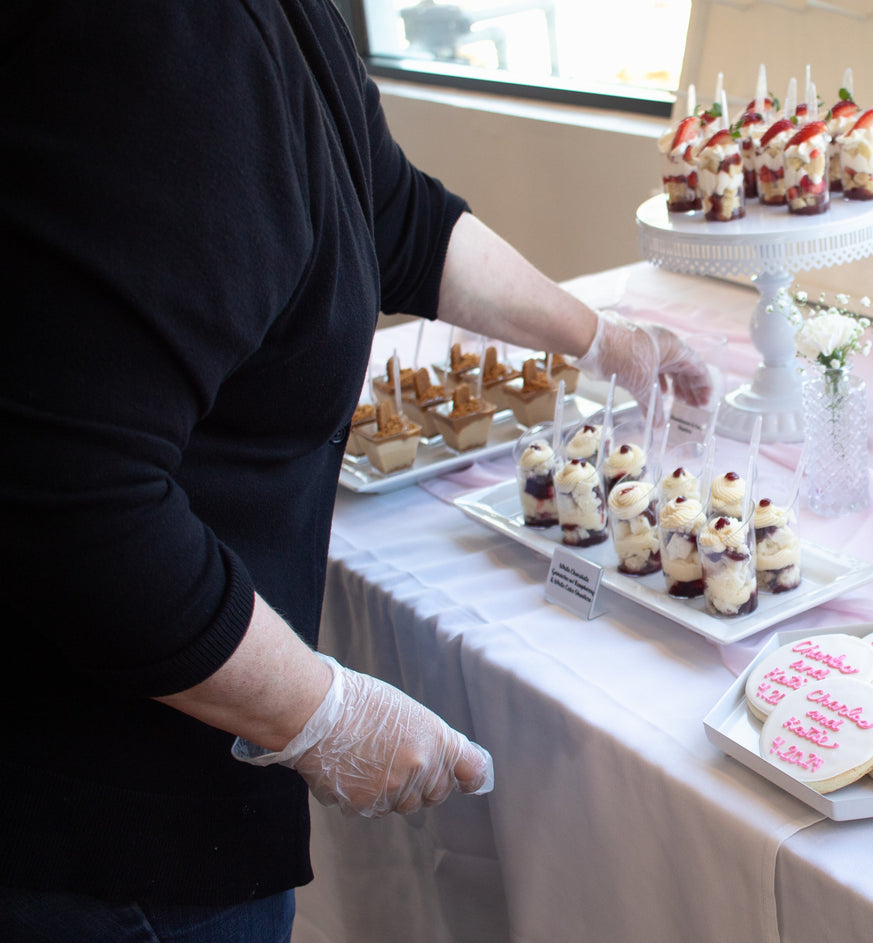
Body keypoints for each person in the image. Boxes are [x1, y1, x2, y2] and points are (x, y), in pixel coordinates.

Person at [0, 1, 712, 940]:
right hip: (102, 819)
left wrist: (600, 339)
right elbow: (76, 507)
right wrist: (320, 712)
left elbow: (392, 214)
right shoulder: (146, 42)